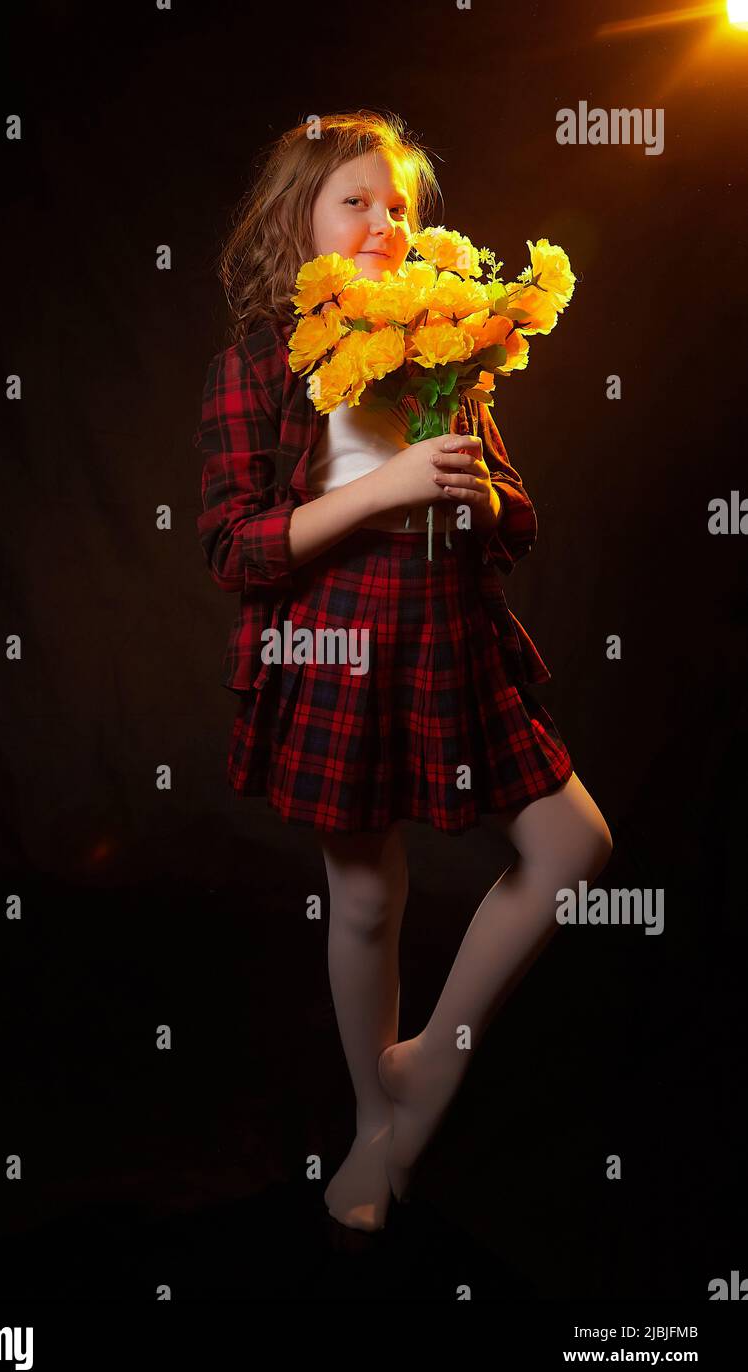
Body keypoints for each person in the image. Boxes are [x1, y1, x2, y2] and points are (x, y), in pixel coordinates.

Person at [193, 110, 613, 1233]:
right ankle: (373, 1136)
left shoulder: (445, 339)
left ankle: (425, 1060)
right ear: (297, 221)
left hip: (450, 641)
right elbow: (233, 546)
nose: (382, 221)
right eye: (354, 201)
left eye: (396, 206)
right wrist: (380, 492)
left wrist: (486, 496)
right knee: (368, 894)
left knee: (572, 844)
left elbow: (512, 511)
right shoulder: (257, 364)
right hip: (337, 649)